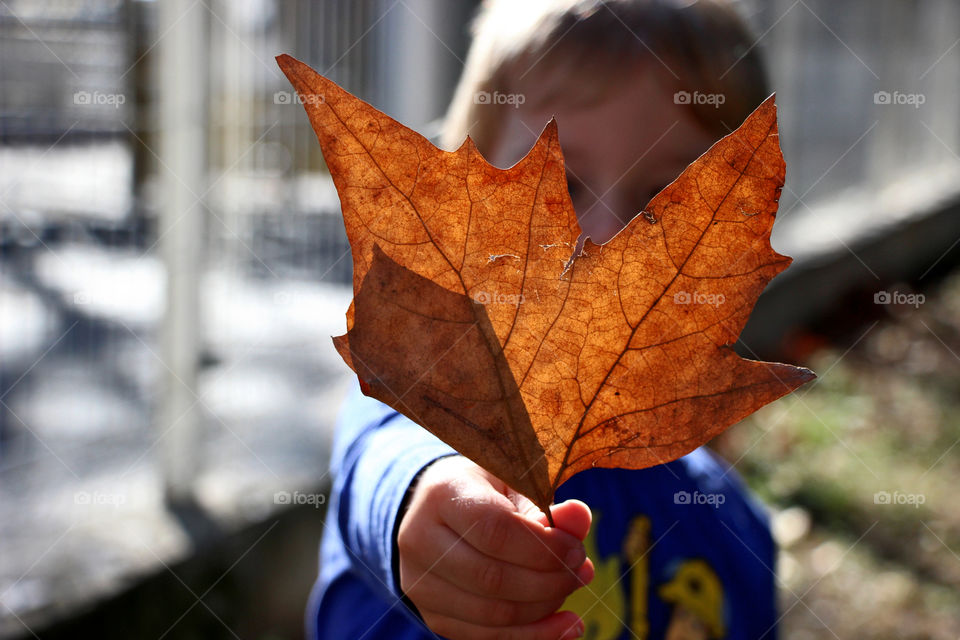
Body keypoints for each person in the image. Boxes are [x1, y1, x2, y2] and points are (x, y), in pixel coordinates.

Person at [308, 1, 777, 639]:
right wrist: (423, 502)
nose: (608, 239)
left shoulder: (733, 526)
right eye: (557, 186)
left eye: (669, 202)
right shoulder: (429, 405)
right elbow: (386, 452)